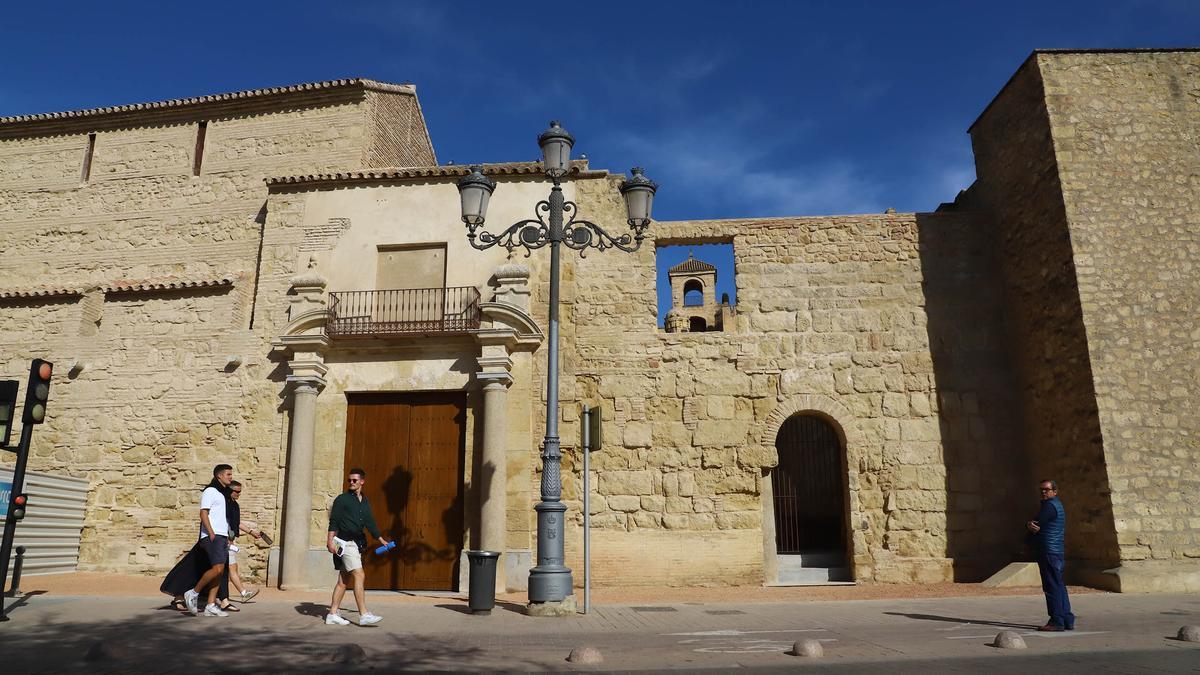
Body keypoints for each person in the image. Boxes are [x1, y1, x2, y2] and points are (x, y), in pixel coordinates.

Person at [325, 467, 390, 626]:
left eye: (354, 480)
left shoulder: (364, 501)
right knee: (359, 574)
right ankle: (364, 614)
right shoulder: (342, 499)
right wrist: (329, 541)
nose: (351, 483)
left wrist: (380, 539)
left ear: (362, 481)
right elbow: (334, 520)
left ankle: (332, 613)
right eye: (349, 480)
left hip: (355, 543)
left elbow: (370, 522)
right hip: (343, 542)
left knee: (343, 580)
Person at [183, 464, 234, 617]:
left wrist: (227, 536)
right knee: (217, 569)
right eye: (228, 474)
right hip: (213, 536)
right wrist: (210, 532)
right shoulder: (210, 491)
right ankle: (193, 593)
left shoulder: (222, 493)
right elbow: (203, 513)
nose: (231, 477)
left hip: (221, 535)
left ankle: (211, 605)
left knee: (219, 572)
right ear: (219, 476)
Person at [1026, 479, 1075, 631]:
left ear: (1054, 491)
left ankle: (1056, 621)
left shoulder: (1049, 506)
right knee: (1059, 585)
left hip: (1048, 551)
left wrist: (1028, 526)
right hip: (1056, 551)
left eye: (1046, 490)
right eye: (1041, 489)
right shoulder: (1058, 505)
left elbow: (1036, 524)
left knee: (1051, 586)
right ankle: (1067, 619)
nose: (1043, 492)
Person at [218, 480, 264, 612]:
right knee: (231, 568)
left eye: (240, 492)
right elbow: (224, 522)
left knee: (231, 568)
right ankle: (242, 593)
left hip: (229, 541)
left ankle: (235, 595)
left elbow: (236, 523)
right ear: (230, 491)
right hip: (225, 541)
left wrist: (251, 532)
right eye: (237, 492)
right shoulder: (224, 505)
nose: (239, 494)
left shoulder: (234, 505)